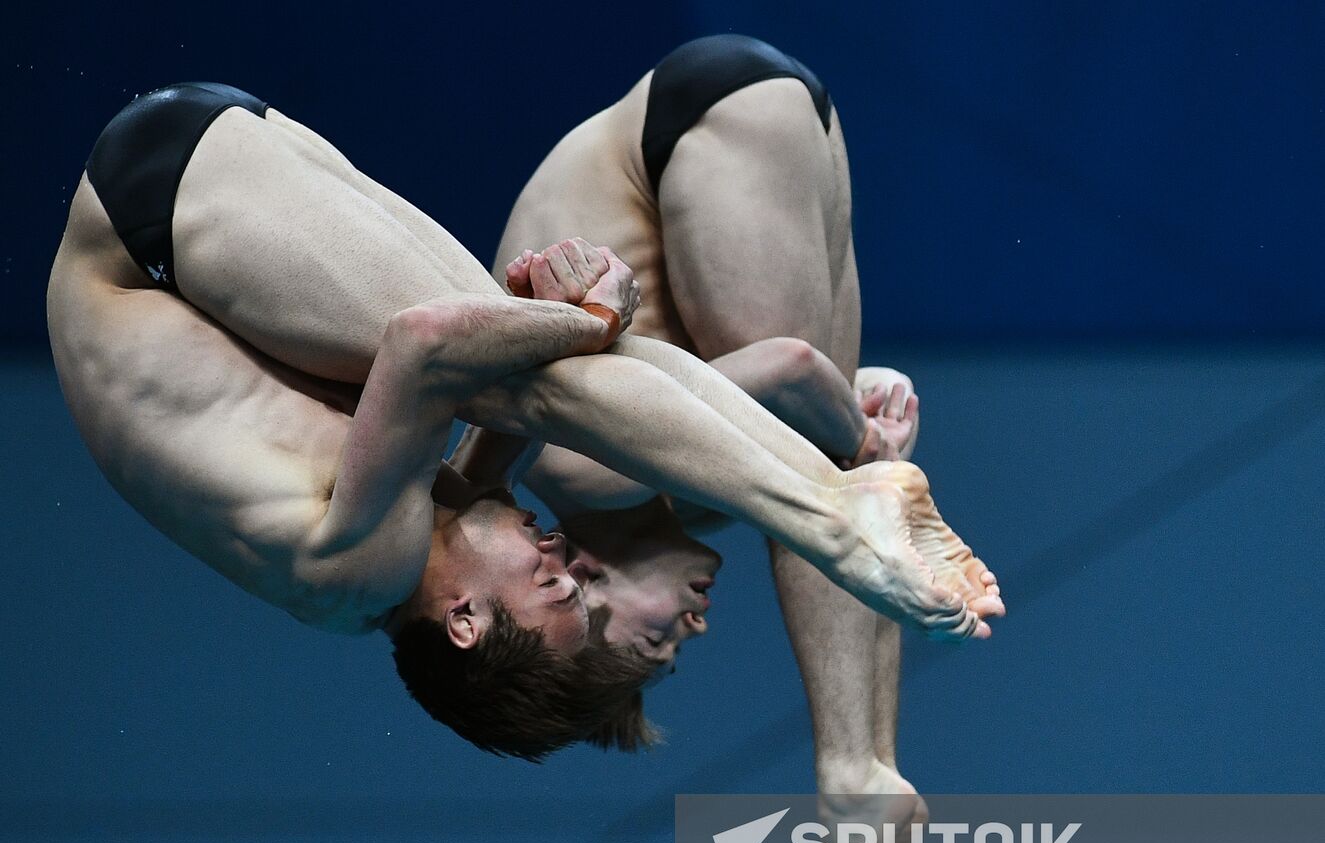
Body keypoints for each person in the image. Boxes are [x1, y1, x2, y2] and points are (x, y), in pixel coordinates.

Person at [46, 79, 999, 771]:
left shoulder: (357, 575)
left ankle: (833, 513)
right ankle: (837, 494)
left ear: (462, 623)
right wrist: (578, 323)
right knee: (535, 374)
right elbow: (484, 373)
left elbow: (424, 347)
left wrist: (592, 315)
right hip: (189, 179)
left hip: (149, 230)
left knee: (527, 377)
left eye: (550, 588)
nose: (561, 554)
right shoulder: (426, 543)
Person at [491, 35, 1001, 843]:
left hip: (684, 140)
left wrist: (852, 427)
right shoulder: (684, 499)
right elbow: (837, 483)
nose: (694, 626)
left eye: (656, 643)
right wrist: (861, 433)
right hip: (743, 123)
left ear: (584, 582)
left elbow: (796, 374)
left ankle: (850, 769)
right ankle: (866, 764)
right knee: (828, 491)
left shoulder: (577, 471)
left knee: (818, 483)